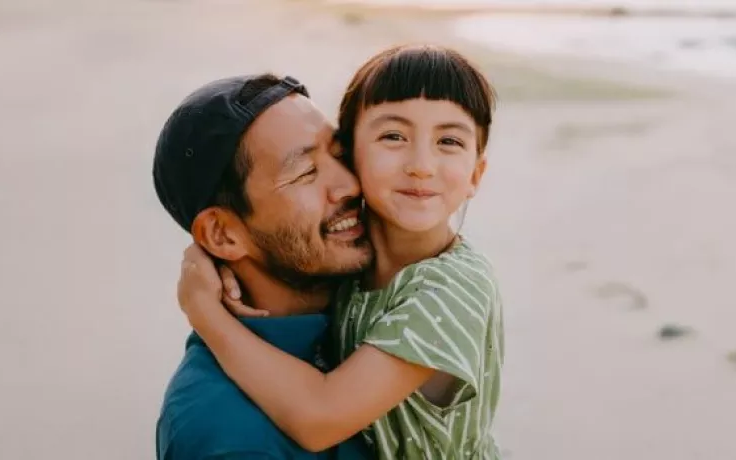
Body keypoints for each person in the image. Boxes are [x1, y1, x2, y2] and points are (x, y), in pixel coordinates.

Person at [177, 44, 505, 460]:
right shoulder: (352, 256)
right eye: (393, 136)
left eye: (450, 141)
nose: (422, 164)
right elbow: (269, 238)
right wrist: (210, 256)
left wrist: (206, 315)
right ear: (356, 153)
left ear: (476, 174)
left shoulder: (452, 291)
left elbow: (319, 417)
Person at [153, 74, 375, 459]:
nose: (349, 186)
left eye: (339, 155)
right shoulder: (228, 433)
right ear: (222, 235)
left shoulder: (377, 308)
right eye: (306, 173)